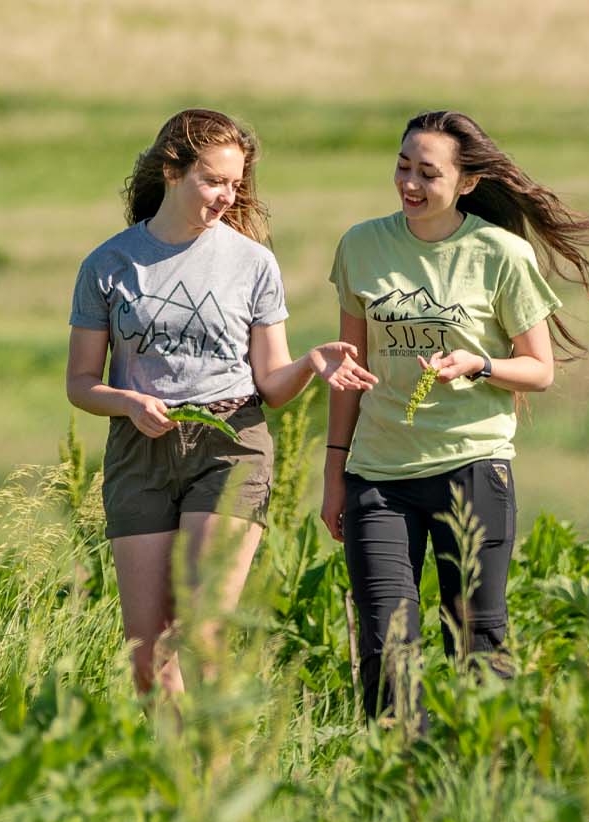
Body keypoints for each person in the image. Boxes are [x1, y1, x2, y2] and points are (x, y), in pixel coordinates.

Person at [67, 109, 376, 699]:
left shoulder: (253, 262)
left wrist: (311, 364)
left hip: (229, 445)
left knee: (201, 635)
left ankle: (215, 777)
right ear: (172, 171)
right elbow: (80, 384)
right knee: (148, 657)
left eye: (235, 185)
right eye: (214, 182)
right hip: (140, 449)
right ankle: (174, 780)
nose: (226, 197)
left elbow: (271, 384)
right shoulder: (108, 265)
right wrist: (129, 403)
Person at [320, 110, 589, 721]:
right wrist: (334, 475)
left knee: (477, 640)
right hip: (378, 473)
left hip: (473, 468)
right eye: (403, 166)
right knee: (385, 643)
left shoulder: (499, 253)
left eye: (428, 172)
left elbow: (539, 369)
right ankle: (401, 775)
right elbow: (351, 370)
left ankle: (484, 775)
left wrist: (479, 365)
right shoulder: (360, 245)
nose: (410, 183)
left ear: (467, 183)